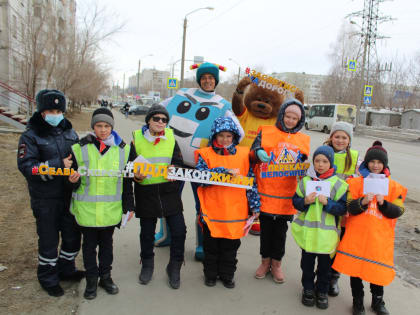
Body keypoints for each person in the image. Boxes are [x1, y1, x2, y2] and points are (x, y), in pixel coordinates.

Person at [158, 62, 244, 261]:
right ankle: (167, 235)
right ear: (199, 80)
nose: (207, 80)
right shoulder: (182, 94)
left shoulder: (222, 105)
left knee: (203, 206)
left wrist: (222, 149)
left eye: (211, 78)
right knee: (169, 200)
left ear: (216, 81)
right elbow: (158, 111)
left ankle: (202, 244)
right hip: (175, 162)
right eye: (204, 77)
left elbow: (237, 132)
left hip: (202, 165)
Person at [17, 89, 84, 297]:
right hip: (45, 198)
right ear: (41, 112)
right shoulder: (30, 136)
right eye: (50, 110)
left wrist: (77, 175)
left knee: (72, 237)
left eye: (58, 110)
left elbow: (78, 161)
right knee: (48, 240)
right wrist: (57, 165)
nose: (55, 114)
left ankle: (66, 269)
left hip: (68, 195)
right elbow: (28, 167)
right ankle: (48, 277)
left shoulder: (70, 133)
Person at [333, 141, 407, 315]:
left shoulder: (393, 186)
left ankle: (377, 301)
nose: (375, 165)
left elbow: (398, 211)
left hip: (379, 240)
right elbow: (350, 207)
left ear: (385, 165)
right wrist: (363, 202)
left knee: (377, 271)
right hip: (357, 237)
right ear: (366, 163)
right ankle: (357, 302)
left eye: (379, 162)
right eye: (372, 162)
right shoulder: (356, 183)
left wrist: (383, 204)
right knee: (355, 270)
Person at [68, 108, 134, 299]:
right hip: (86, 211)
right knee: (89, 248)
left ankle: (106, 277)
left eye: (106, 126)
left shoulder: (123, 150)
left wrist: (129, 206)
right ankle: (91, 281)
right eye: (99, 126)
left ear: (112, 127)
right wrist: (72, 180)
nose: (103, 130)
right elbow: (71, 180)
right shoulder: (78, 148)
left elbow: (127, 181)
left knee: (107, 247)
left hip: (110, 211)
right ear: (93, 127)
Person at [195, 117, 260, 288]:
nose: (225, 140)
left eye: (228, 136)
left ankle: (227, 275)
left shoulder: (245, 155)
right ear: (214, 136)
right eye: (221, 135)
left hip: (235, 212)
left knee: (230, 248)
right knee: (211, 247)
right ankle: (210, 274)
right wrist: (222, 172)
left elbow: (251, 183)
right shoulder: (205, 154)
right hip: (212, 211)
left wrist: (255, 206)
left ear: (234, 137)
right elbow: (201, 178)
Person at [250, 98, 310, 283]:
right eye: (288, 116)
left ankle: (276, 264)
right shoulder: (266, 131)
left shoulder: (303, 139)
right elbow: (253, 152)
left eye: (294, 118)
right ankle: (264, 262)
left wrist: (302, 168)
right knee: (266, 232)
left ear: (299, 121)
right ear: (282, 115)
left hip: (286, 197)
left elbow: (305, 165)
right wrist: (258, 153)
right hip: (266, 193)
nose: (290, 120)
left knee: (280, 234)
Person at [129, 104, 186, 289]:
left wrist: (175, 170)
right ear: (148, 121)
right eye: (157, 119)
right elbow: (129, 168)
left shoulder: (171, 138)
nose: (161, 122)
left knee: (179, 231)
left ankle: (175, 266)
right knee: (147, 234)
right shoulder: (136, 139)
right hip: (146, 193)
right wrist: (136, 177)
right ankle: (147, 264)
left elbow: (178, 163)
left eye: (164, 120)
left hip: (169, 193)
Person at [292, 145, 348, 310]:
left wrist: (327, 203)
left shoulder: (338, 184)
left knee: (325, 267)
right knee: (307, 265)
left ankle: (322, 291)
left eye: (324, 161)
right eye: (317, 161)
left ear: (330, 163)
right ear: (313, 162)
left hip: (327, 237)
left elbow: (342, 209)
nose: (320, 164)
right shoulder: (305, 181)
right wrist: (305, 202)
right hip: (308, 235)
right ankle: (308, 289)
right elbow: (295, 202)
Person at [323, 121, 361, 297]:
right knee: (324, 243)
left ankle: (333, 278)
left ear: (349, 140)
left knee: (338, 246)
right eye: (336, 136)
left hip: (344, 210)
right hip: (324, 208)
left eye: (344, 137)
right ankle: (321, 275)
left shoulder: (354, 157)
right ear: (331, 137)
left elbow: (366, 176)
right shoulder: (324, 153)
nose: (340, 140)